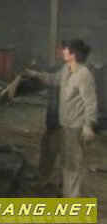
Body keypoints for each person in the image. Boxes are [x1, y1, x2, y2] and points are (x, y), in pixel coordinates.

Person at [25, 39, 97, 197]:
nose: (63, 51)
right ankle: (66, 193)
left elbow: (90, 103)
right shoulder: (66, 69)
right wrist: (36, 74)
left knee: (72, 164)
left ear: (73, 54)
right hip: (64, 123)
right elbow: (54, 79)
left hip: (75, 127)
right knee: (66, 161)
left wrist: (88, 126)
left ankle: (71, 199)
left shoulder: (84, 75)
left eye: (66, 50)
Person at [36, 42, 64, 190]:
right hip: (54, 118)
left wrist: (36, 74)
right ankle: (43, 178)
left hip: (62, 120)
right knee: (46, 147)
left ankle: (46, 181)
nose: (56, 53)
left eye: (59, 50)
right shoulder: (60, 68)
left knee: (52, 151)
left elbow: (53, 80)